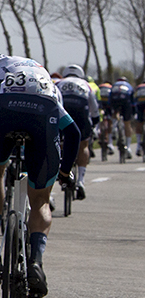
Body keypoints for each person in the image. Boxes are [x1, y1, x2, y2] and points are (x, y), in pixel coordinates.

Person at [0, 48, 79, 298]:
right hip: (44, 108)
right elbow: (73, 132)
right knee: (41, 200)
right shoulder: (37, 69)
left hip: (5, 110)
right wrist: (64, 173)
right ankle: (36, 263)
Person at [56, 64, 99, 199]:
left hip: (64, 108)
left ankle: (59, 167)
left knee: (58, 142)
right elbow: (94, 107)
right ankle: (80, 181)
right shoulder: (86, 84)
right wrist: (95, 121)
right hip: (81, 111)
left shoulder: (59, 83)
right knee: (83, 145)